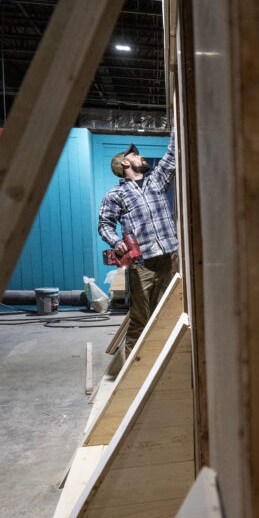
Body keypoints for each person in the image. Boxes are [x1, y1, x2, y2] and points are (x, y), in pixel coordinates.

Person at [98, 134, 178, 355]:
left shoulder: (156, 181)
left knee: (165, 315)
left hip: (168, 258)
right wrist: (116, 242)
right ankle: (134, 368)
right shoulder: (116, 194)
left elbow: (172, 156)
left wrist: (176, 130)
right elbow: (104, 224)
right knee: (141, 318)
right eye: (135, 154)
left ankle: (159, 364)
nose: (141, 156)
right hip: (142, 264)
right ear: (125, 163)